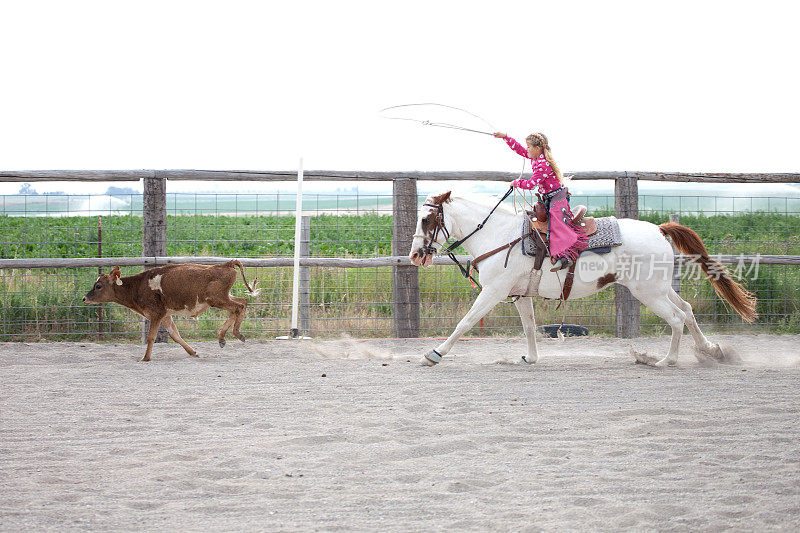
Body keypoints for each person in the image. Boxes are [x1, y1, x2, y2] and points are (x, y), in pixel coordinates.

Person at [493, 131, 587, 270]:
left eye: (529, 147)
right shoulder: (535, 158)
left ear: (537, 148)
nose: (527, 149)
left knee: (556, 222)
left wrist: (516, 183)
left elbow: (531, 184)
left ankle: (565, 256)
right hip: (548, 196)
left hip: (557, 197)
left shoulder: (543, 164)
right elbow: (519, 149)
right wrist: (505, 137)